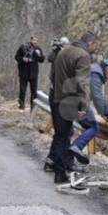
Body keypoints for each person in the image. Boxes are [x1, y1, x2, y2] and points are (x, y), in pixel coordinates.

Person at [45, 32, 97, 183]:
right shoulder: (83, 56)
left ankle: (56, 167)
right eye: (94, 45)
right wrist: (83, 105)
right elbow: (82, 83)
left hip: (56, 97)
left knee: (61, 135)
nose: (94, 48)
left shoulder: (63, 52)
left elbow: (52, 76)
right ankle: (60, 173)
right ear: (90, 43)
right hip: (69, 100)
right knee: (65, 135)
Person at [69, 58, 108, 165]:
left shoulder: (94, 69)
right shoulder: (96, 74)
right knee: (93, 127)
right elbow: (97, 97)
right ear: (107, 68)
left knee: (66, 133)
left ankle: (56, 161)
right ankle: (76, 146)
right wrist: (107, 115)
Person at [44, 36, 70, 172]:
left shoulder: (62, 56)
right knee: (62, 132)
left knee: (62, 132)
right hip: (58, 97)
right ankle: (58, 163)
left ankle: (54, 160)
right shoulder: (58, 56)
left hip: (57, 96)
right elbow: (50, 58)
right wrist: (56, 50)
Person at [15, 35, 45, 110]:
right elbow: (16, 57)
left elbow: (42, 60)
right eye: (34, 40)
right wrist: (23, 59)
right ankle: (21, 105)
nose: (35, 42)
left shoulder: (38, 48)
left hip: (33, 74)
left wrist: (39, 55)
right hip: (23, 72)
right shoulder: (23, 47)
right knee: (22, 90)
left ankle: (33, 106)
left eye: (37, 41)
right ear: (30, 40)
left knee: (34, 91)